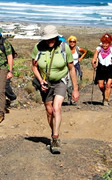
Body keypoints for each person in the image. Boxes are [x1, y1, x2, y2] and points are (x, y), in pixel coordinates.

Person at [32, 25, 79, 154]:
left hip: (61, 81)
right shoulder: (38, 48)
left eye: (52, 38)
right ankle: (54, 132)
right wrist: (40, 80)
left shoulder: (64, 48)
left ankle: (55, 138)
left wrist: (75, 89)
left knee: (57, 108)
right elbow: (34, 67)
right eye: (47, 39)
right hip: (46, 83)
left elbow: (71, 69)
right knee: (49, 110)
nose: (50, 41)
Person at [92, 33, 112, 106]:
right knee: (101, 85)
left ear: (109, 43)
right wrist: (93, 62)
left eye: (107, 43)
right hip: (101, 68)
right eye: (104, 43)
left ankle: (106, 100)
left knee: (108, 85)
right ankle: (104, 94)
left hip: (109, 68)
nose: (105, 45)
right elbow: (94, 58)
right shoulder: (98, 49)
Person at [66, 35, 87, 105]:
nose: (72, 43)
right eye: (71, 41)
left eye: (73, 41)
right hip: (68, 68)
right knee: (68, 84)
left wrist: (80, 58)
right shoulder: (66, 49)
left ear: (75, 42)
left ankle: (73, 99)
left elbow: (85, 51)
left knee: (74, 83)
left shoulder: (77, 49)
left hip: (76, 67)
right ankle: (69, 98)